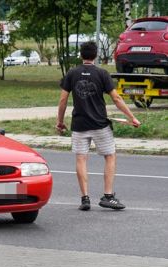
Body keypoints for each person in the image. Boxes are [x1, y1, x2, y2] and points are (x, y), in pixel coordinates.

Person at [56, 41, 140, 211]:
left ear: (81, 55)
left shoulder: (72, 73)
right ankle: (108, 196)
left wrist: (60, 122)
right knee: (110, 156)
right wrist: (132, 117)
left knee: (81, 159)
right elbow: (116, 99)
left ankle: (85, 199)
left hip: (79, 125)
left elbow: (63, 99)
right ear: (96, 55)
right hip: (100, 124)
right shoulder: (102, 73)